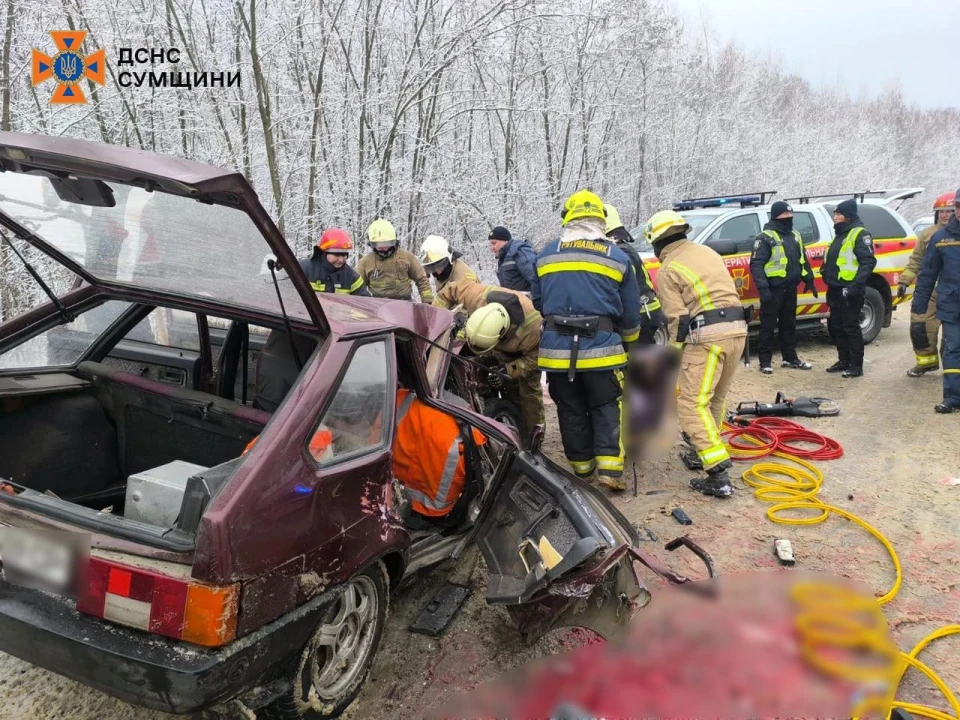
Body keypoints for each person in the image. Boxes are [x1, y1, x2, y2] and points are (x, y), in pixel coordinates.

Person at [530, 190, 641, 490]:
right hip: (603, 349)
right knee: (606, 405)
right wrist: (628, 342)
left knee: (570, 408)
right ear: (601, 222)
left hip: (556, 353)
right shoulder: (617, 257)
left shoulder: (545, 255)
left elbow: (538, 301)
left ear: (568, 220)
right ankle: (609, 472)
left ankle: (581, 471)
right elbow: (630, 312)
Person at [646, 209, 746, 499]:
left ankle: (718, 474)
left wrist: (673, 356)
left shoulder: (669, 269)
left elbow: (678, 318)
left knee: (690, 404)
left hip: (708, 338)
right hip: (738, 331)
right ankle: (706, 451)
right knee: (714, 399)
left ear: (657, 243)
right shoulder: (707, 252)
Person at [436, 279, 544, 438]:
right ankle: (506, 420)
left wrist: (507, 370)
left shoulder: (533, 330)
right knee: (507, 392)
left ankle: (533, 439)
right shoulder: (476, 298)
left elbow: (536, 359)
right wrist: (434, 320)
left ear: (501, 336)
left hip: (524, 355)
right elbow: (450, 289)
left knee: (528, 397)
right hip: (491, 344)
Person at [393, 388, 486, 525]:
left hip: (393, 490)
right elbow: (481, 444)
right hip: (435, 511)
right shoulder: (462, 427)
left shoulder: (401, 399)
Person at [748, 200, 817, 374]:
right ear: (776, 216)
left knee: (789, 325)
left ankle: (790, 358)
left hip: (790, 288)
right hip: (773, 289)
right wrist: (763, 289)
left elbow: (803, 259)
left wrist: (809, 279)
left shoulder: (795, 235)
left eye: (790, 215)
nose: (788, 218)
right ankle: (765, 362)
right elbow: (756, 265)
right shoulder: (765, 237)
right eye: (784, 215)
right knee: (768, 327)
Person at [911, 188, 960, 413]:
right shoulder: (940, 238)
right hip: (952, 306)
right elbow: (928, 273)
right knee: (952, 350)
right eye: (957, 207)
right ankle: (953, 398)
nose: (956, 212)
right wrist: (919, 304)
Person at [898, 192, 956, 377]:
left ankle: (952, 368)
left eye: (949, 211)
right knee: (920, 325)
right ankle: (926, 363)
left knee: (952, 332)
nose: (945, 215)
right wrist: (905, 280)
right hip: (929, 290)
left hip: (952, 291)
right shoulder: (928, 234)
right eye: (941, 211)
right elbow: (916, 260)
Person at [821, 199, 877, 378]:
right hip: (836, 289)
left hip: (850, 290)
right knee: (836, 326)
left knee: (850, 327)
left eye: (838, 214)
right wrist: (825, 271)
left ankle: (856, 365)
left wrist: (855, 285)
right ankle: (843, 360)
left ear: (848, 216)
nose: (835, 218)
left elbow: (868, 262)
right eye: (835, 214)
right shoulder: (840, 234)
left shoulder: (859, 234)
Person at [604, 203, 664, 345]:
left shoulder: (620, 253)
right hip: (645, 311)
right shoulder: (622, 249)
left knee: (638, 363)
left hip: (642, 314)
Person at [356, 219, 435, 302]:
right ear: (372, 244)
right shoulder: (365, 263)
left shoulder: (407, 257)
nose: (384, 248)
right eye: (379, 245)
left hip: (404, 304)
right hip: (378, 306)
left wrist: (428, 302)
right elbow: (358, 288)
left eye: (388, 243)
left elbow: (421, 279)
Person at [298, 228, 370, 296]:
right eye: (337, 255)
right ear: (324, 252)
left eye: (344, 255)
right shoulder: (303, 270)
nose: (341, 259)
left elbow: (364, 303)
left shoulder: (352, 277)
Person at [489, 226, 537, 292]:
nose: (492, 248)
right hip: (515, 301)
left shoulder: (519, 253)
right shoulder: (503, 258)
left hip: (528, 301)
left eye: (494, 243)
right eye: (490, 244)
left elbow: (536, 279)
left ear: (505, 240)